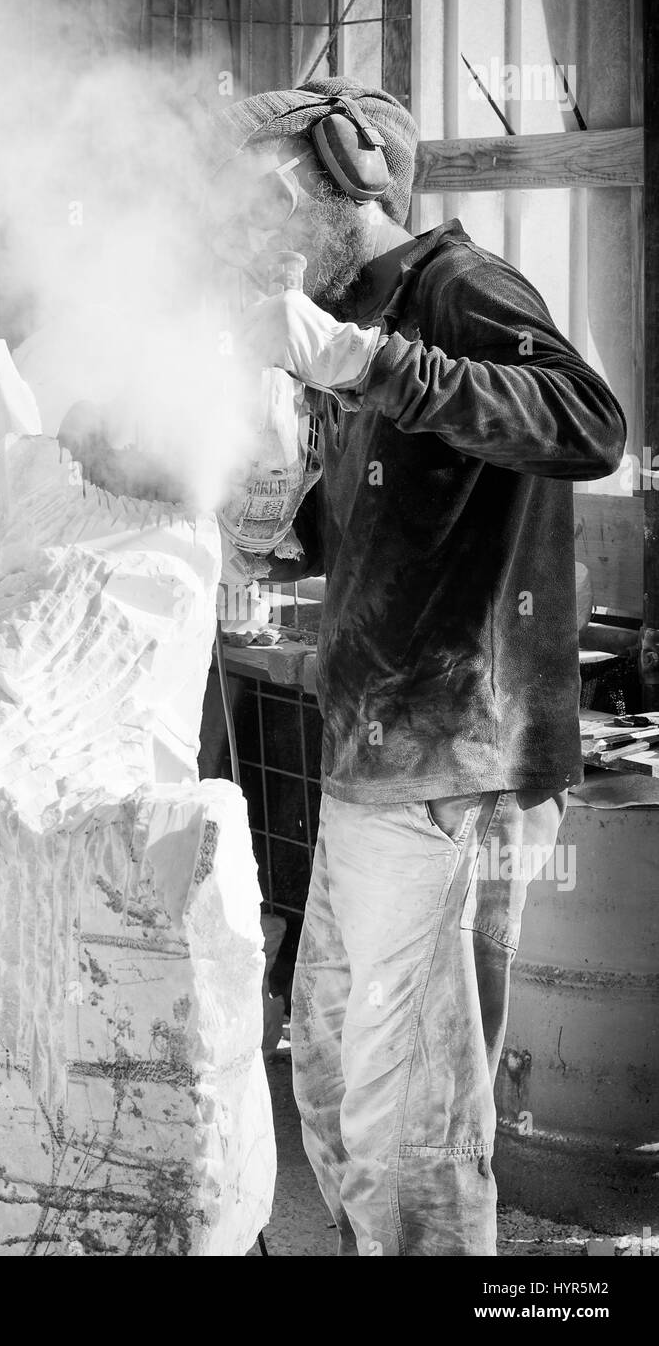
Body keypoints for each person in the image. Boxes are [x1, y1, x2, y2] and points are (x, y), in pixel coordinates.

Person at [212, 76, 627, 1256]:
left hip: (454, 758)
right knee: (334, 1072)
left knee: (414, 1116)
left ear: (345, 179)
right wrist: (272, 502)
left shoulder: (458, 290)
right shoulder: (343, 315)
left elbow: (584, 421)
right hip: (374, 749)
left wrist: (353, 359)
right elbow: (400, 515)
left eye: (267, 196)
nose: (251, 228)